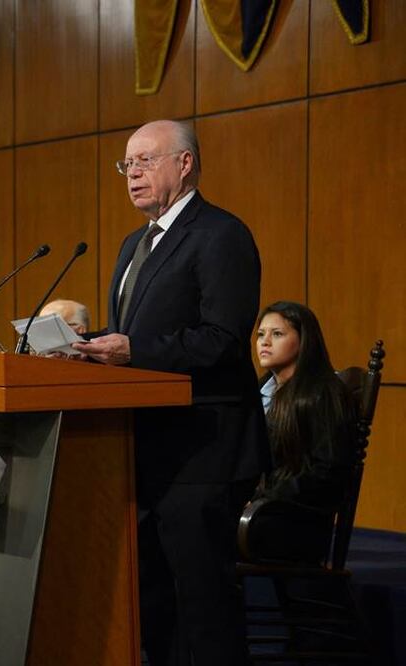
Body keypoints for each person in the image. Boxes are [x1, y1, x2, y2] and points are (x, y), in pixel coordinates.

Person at [72, 119, 267, 666]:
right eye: (125, 164)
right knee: (153, 599)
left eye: (144, 161)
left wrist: (131, 350)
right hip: (146, 447)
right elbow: (132, 333)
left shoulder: (221, 234)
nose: (131, 173)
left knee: (202, 602)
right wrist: (80, 349)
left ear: (184, 164)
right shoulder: (135, 243)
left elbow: (222, 340)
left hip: (204, 446)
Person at [245, 301, 357, 563]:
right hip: (262, 509)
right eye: (261, 334)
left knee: (203, 532)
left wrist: (264, 499)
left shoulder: (321, 393)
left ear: (304, 340)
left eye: (278, 334)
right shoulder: (260, 390)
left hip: (294, 519)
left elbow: (326, 471)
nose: (265, 342)